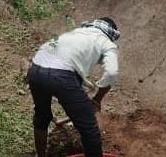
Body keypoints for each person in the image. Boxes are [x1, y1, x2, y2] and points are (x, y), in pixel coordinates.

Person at [26, 18, 120, 157]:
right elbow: (112, 72)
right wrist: (97, 99)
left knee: (42, 116)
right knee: (89, 128)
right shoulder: (106, 43)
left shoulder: (73, 33)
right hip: (61, 75)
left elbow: (51, 45)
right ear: (110, 34)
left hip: (35, 68)